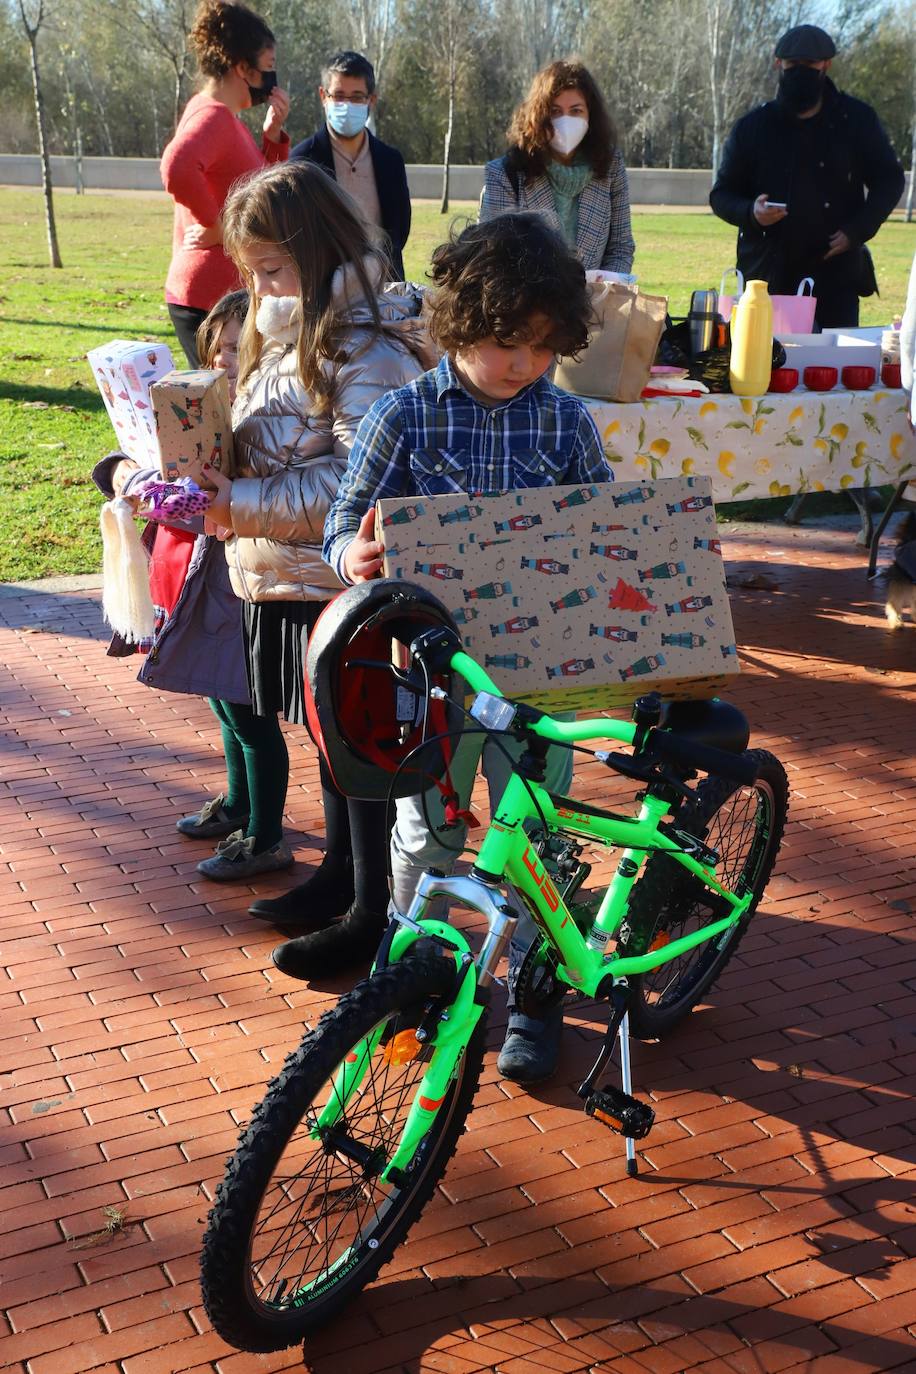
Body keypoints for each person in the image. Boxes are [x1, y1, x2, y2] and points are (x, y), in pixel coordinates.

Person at [315, 213, 613, 1084]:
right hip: (433, 683)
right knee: (424, 841)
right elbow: (342, 520)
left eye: (541, 346)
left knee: (541, 841)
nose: (522, 364)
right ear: (460, 324)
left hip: (536, 683)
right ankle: (417, 987)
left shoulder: (564, 423)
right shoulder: (402, 416)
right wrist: (354, 556)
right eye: (504, 343)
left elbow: (601, 530)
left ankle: (537, 995)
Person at [199, 160, 428, 932]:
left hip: (333, 582)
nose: (258, 289)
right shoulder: (287, 330)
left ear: (317, 250)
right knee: (334, 747)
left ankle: (371, 912)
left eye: (271, 268)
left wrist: (239, 503)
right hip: (283, 574)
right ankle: (341, 880)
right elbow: (273, 440)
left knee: (356, 753)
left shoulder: (365, 347)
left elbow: (351, 487)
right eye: (251, 271)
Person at [92, 292, 293, 880]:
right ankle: (238, 805)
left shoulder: (260, 425)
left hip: (240, 588)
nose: (228, 359)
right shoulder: (200, 409)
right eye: (220, 347)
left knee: (250, 714)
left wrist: (136, 481)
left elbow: (201, 508)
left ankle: (265, 837)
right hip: (198, 588)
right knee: (222, 704)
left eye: (242, 347)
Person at [710, 24, 904, 329]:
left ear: (825, 65)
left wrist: (858, 230)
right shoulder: (753, 127)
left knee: (832, 368)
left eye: (810, 64)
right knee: (766, 369)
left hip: (835, 274)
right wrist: (751, 212)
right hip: (767, 275)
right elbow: (721, 195)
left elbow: (889, 180)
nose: (800, 71)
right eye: (792, 65)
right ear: (778, 64)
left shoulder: (857, 120)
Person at [160, 0, 291, 365]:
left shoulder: (221, 116)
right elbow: (176, 166)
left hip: (219, 293)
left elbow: (262, 193)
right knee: (221, 413)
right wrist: (217, 227)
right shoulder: (214, 116)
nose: (272, 79)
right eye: (268, 68)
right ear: (242, 68)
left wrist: (273, 137)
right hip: (210, 297)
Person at [479, 59, 634, 275]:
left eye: (576, 110)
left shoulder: (610, 166)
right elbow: (495, 258)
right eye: (555, 111)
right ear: (539, 115)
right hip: (529, 304)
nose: (565, 120)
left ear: (591, 115)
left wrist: (604, 289)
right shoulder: (506, 173)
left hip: (595, 303)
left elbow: (620, 248)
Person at [290, 50, 411, 280]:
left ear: (371, 100)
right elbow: (298, 232)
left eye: (357, 97)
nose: (347, 105)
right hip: (324, 288)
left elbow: (399, 230)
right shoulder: (302, 160)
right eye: (338, 96)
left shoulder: (391, 160)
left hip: (384, 288)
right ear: (323, 96)